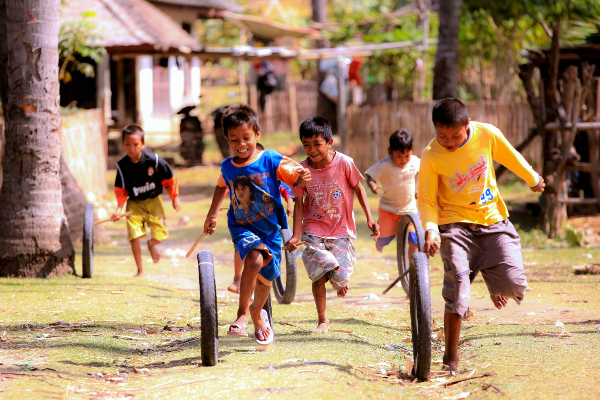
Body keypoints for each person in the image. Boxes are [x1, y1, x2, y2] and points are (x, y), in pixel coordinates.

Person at [418, 98, 545, 373]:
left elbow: (511, 156)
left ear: (468, 125)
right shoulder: (431, 155)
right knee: (458, 291)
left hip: (492, 218)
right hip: (454, 223)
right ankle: (450, 358)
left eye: (455, 135)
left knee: (514, 285)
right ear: (434, 129)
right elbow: (427, 200)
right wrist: (430, 230)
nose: (449, 142)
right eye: (442, 136)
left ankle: (492, 276)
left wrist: (532, 178)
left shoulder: (486, 133)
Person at [202, 104, 310, 345]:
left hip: (271, 230)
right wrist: (212, 215)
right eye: (234, 140)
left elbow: (294, 174)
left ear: (257, 134)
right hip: (242, 226)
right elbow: (221, 186)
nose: (241, 144)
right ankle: (242, 313)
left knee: (266, 280)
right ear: (227, 140)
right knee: (254, 259)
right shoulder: (228, 167)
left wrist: (301, 177)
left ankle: (256, 312)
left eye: (246, 138)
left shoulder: (269, 158)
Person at [286, 116, 380, 333]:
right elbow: (298, 204)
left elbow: (359, 189)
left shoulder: (344, 163)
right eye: (306, 145)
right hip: (313, 228)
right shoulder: (301, 171)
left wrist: (369, 218)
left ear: (329, 142)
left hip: (341, 230)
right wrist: (296, 234)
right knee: (321, 271)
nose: (311, 150)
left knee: (340, 274)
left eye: (316, 144)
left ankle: (340, 279)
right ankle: (323, 320)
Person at [111, 124, 181, 277]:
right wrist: (119, 209)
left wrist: (175, 198)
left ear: (142, 144)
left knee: (160, 233)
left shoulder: (154, 161)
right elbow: (121, 190)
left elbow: (169, 178)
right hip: (134, 205)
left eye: (135, 144)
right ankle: (140, 270)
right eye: (127, 144)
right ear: (123, 145)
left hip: (153, 202)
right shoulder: (122, 166)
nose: (131, 148)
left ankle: (151, 245)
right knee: (134, 236)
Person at [227, 143, 295, 295]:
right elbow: (227, 187)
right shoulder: (240, 174)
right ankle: (237, 278)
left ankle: (264, 279)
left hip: (267, 222)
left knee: (267, 256)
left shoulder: (271, 169)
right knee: (240, 248)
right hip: (246, 222)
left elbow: (286, 190)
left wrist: (289, 204)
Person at [365, 129, 420, 256]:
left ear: (411, 152)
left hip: (409, 209)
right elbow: (371, 177)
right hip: (388, 210)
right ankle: (378, 247)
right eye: (399, 157)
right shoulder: (385, 165)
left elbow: (426, 173)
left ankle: (414, 267)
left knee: (414, 240)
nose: (404, 160)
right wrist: (373, 186)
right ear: (390, 152)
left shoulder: (414, 162)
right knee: (382, 240)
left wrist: (419, 189)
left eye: (407, 156)